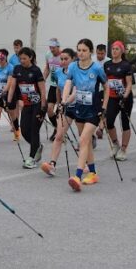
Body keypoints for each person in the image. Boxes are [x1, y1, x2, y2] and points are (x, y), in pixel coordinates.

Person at [61, 38, 109, 191]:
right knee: (86, 142)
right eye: (79, 50)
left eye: (84, 50)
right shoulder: (73, 67)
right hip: (79, 109)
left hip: (93, 110)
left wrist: (104, 107)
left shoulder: (96, 69)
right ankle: (93, 173)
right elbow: (68, 84)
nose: (81, 53)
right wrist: (64, 101)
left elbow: (107, 87)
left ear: (90, 52)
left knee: (82, 141)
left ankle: (77, 175)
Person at [5, 47, 46, 169]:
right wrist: (9, 101)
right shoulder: (17, 69)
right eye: (20, 58)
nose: (22, 61)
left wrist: (43, 107)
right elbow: (12, 86)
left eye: (24, 58)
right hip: (27, 104)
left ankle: (32, 158)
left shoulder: (36, 70)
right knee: (23, 130)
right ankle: (37, 146)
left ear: (30, 58)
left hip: (38, 104)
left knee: (34, 130)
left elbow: (43, 90)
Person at [41, 48, 76, 176]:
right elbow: (57, 89)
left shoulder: (77, 72)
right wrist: (58, 103)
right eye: (61, 59)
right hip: (64, 107)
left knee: (84, 138)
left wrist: (65, 101)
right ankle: (52, 165)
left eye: (66, 59)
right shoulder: (58, 73)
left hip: (79, 106)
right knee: (59, 136)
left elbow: (75, 91)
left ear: (73, 59)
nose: (63, 61)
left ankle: (88, 164)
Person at [103, 40, 134, 161]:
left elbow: (129, 84)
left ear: (121, 51)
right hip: (111, 97)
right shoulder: (107, 65)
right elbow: (105, 82)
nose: (114, 51)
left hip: (124, 98)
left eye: (117, 49)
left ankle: (123, 149)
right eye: (113, 49)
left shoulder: (126, 65)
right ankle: (115, 144)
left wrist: (124, 96)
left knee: (124, 122)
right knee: (109, 122)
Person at [43, 38, 63, 142]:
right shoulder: (48, 55)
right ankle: (57, 128)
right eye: (50, 48)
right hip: (53, 85)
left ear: (58, 47)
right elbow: (47, 68)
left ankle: (60, 132)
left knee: (61, 112)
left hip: (63, 87)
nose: (52, 50)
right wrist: (42, 80)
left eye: (53, 48)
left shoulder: (63, 56)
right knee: (49, 110)